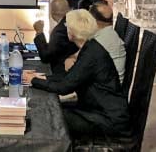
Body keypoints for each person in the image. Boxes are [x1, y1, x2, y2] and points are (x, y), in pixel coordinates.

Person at [24, 9, 130, 138]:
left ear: (72, 32)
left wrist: (33, 81)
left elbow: (64, 88)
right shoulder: (91, 47)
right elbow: (71, 77)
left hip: (107, 120)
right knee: (51, 110)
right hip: (101, 112)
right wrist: (42, 77)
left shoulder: (91, 54)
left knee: (49, 118)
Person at [32, 0, 78, 75]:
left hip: (62, 74)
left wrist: (39, 32)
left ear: (52, 13)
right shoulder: (72, 23)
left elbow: (46, 57)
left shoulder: (59, 31)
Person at [89, 2, 126, 83]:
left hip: (105, 88)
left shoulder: (100, 40)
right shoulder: (108, 33)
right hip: (109, 83)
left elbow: (83, 64)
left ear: (93, 20)